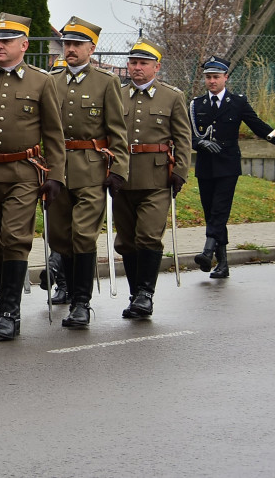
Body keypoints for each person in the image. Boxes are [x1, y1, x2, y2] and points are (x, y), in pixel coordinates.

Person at [0, 13, 65, 341]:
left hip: (23, 173)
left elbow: (53, 133)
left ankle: (9, 314)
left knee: (14, 238)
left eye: (6, 41)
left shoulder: (41, 81)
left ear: (24, 45)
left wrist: (55, 176)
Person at [46, 17, 128, 329]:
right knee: (60, 236)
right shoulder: (51, 81)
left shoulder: (106, 83)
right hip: (57, 167)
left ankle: (82, 302)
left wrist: (119, 168)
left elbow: (117, 132)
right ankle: (68, 287)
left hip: (92, 169)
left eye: (77, 44)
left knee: (82, 234)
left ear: (91, 48)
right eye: (67, 43)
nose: (70, 49)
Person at [114, 39, 191, 318]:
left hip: (157, 178)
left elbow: (183, 138)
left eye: (143, 63)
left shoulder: (172, 96)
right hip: (122, 178)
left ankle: (146, 294)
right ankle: (136, 295)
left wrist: (180, 171)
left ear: (156, 67)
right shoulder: (117, 95)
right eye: (133, 62)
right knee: (126, 240)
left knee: (148, 235)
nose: (137, 68)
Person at [190, 55, 275, 278]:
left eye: (216, 77)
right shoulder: (196, 104)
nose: (212, 81)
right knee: (211, 213)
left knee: (220, 210)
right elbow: (187, 136)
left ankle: (207, 252)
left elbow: (259, 126)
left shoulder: (237, 102)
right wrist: (200, 142)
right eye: (208, 77)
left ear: (226, 77)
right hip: (206, 166)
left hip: (228, 165)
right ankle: (223, 263)